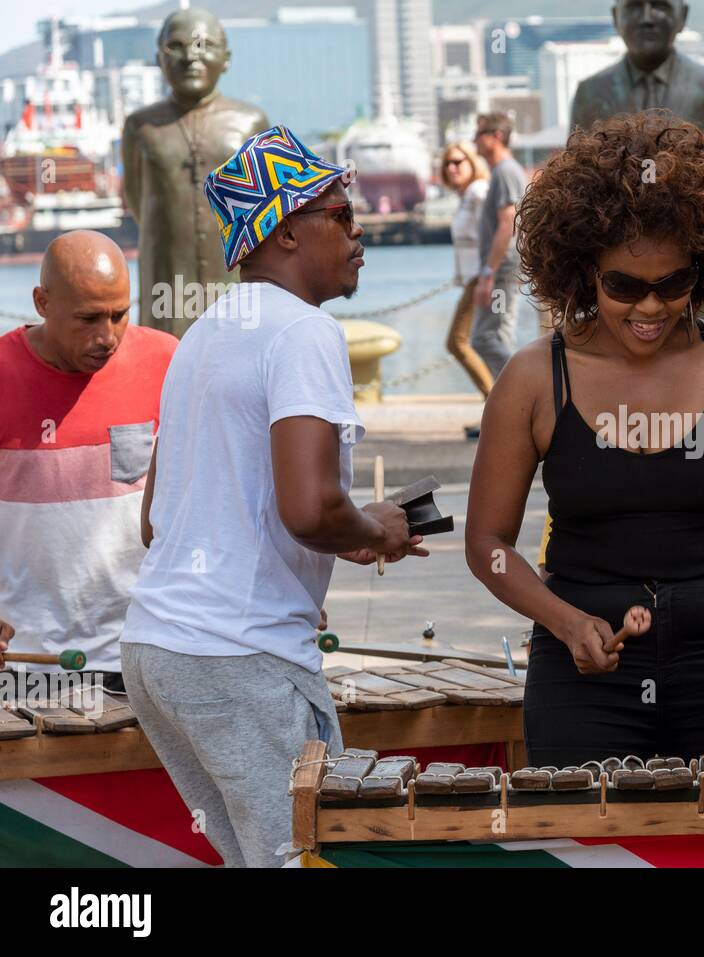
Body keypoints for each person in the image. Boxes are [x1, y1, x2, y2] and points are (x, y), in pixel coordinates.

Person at [120, 126, 427, 868]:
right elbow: (309, 508)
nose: (360, 237)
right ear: (287, 231)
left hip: (157, 649)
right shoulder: (304, 332)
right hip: (235, 654)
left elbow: (159, 519)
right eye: (343, 217)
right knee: (306, 858)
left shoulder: (202, 331)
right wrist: (375, 528)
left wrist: (318, 539)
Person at [465, 113, 704, 766]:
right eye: (623, 286)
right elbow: (487, 546)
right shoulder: (536, 377)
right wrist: (565, 622)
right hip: (581, 679)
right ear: (583, 269)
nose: (649, 309)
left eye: (673, 285)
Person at [0, 230, 177, 692]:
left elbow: (214, 496)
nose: (108, 336)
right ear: (42, 302)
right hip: (27, 662)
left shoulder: (166, 361)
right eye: (88, 319)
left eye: (120, 315)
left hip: (148, 653)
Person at [123, 5, 267, 337]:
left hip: (233, 282)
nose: (190, 56)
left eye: (204, 45)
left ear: (226, 58)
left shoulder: (251, 122)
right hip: (165, 283)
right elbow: (137, 199)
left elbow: (266, 212)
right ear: (159, 59)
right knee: (164, 367)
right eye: (176, 46)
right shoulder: (140, 126)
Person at [570, 0, 704, 147]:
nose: (647, 18)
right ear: (616, 17)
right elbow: (574, 173)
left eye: (660, 6)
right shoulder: (589, 93)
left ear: (683, 16)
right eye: (634, 6)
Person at [470, 112, 528, 386]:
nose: (474, 140)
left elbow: (508, 223)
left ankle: (526, 389)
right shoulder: (505, 171)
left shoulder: (505, 171)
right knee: (501, 335)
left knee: (486, 338)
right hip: (505, 269)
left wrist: (487, 273)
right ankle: (513, 410)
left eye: (479, 134)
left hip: (502, 270)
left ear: (496, 137)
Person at [441, 141, 494, 399]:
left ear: (472, 162)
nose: (452, 168)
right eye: (448, 163)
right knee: (484, 342)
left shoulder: (478, 192)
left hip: (482, 277)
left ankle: (495, 402)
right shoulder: (466, 196)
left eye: (458, 162)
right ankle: (498, 407)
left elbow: (499, 228)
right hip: (475, 277)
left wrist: (489, 274)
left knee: (458, 341)